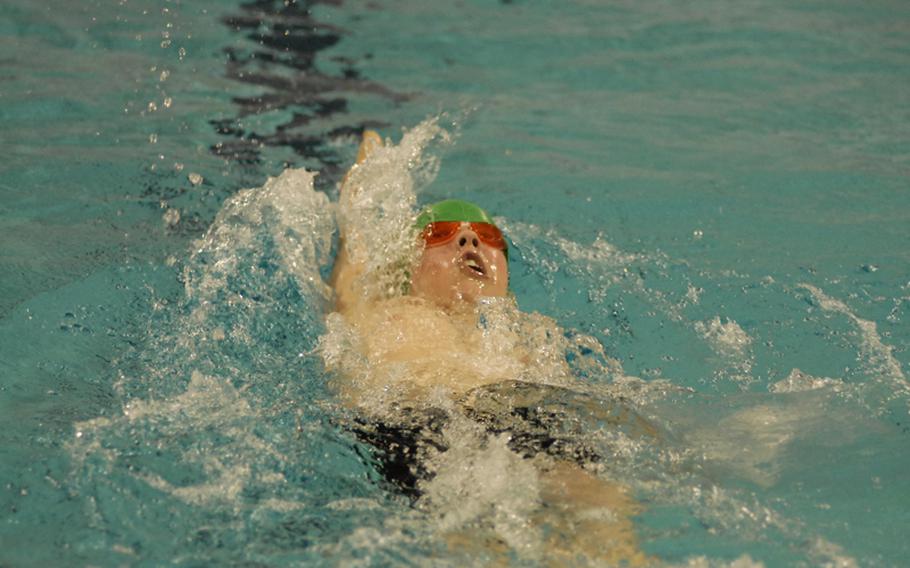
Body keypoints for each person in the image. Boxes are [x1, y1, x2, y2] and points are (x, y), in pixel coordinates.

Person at [323, 130, 651, 565]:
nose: (469, 241)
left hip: (521, 415)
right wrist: (360, 194)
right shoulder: (387, 310)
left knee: (599, 506)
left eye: (487, 235)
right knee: (475, 542)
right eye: (441, 233)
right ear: (407, 265)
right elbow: (350, 274)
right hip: (420, 421)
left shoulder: (525, 333)